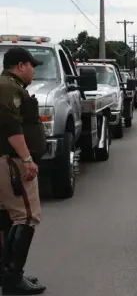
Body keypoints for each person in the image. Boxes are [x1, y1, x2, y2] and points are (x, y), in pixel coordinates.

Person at [0, 47, 47, 294]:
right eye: (32, 66)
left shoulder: (8, 86)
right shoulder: (9, 88)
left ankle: (5, 273)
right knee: (26, 216)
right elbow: (10, 126)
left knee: (6, 215)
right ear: (20, 66)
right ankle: (12, 278)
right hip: (12, 161)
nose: (33, 71)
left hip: (6, 160)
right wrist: (27, 158)